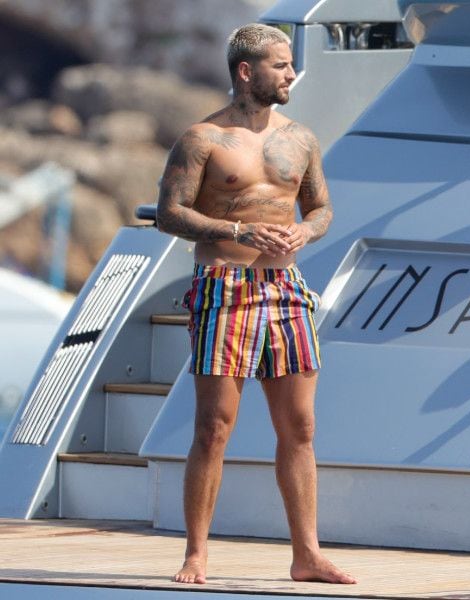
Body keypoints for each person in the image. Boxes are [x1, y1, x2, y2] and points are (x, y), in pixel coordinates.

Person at [155, 23, 355, 585]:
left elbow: (321, 209)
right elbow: (171, 212)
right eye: (280, 65)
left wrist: (305, 235)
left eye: (290, 64)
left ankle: (306, 554)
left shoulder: (302, 138)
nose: (291, 74)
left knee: (301, 426)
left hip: (286, 291)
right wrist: (238, 228)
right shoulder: (203, 139)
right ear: (246, 72)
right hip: (225, 286)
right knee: (213, 427)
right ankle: (196, 553)